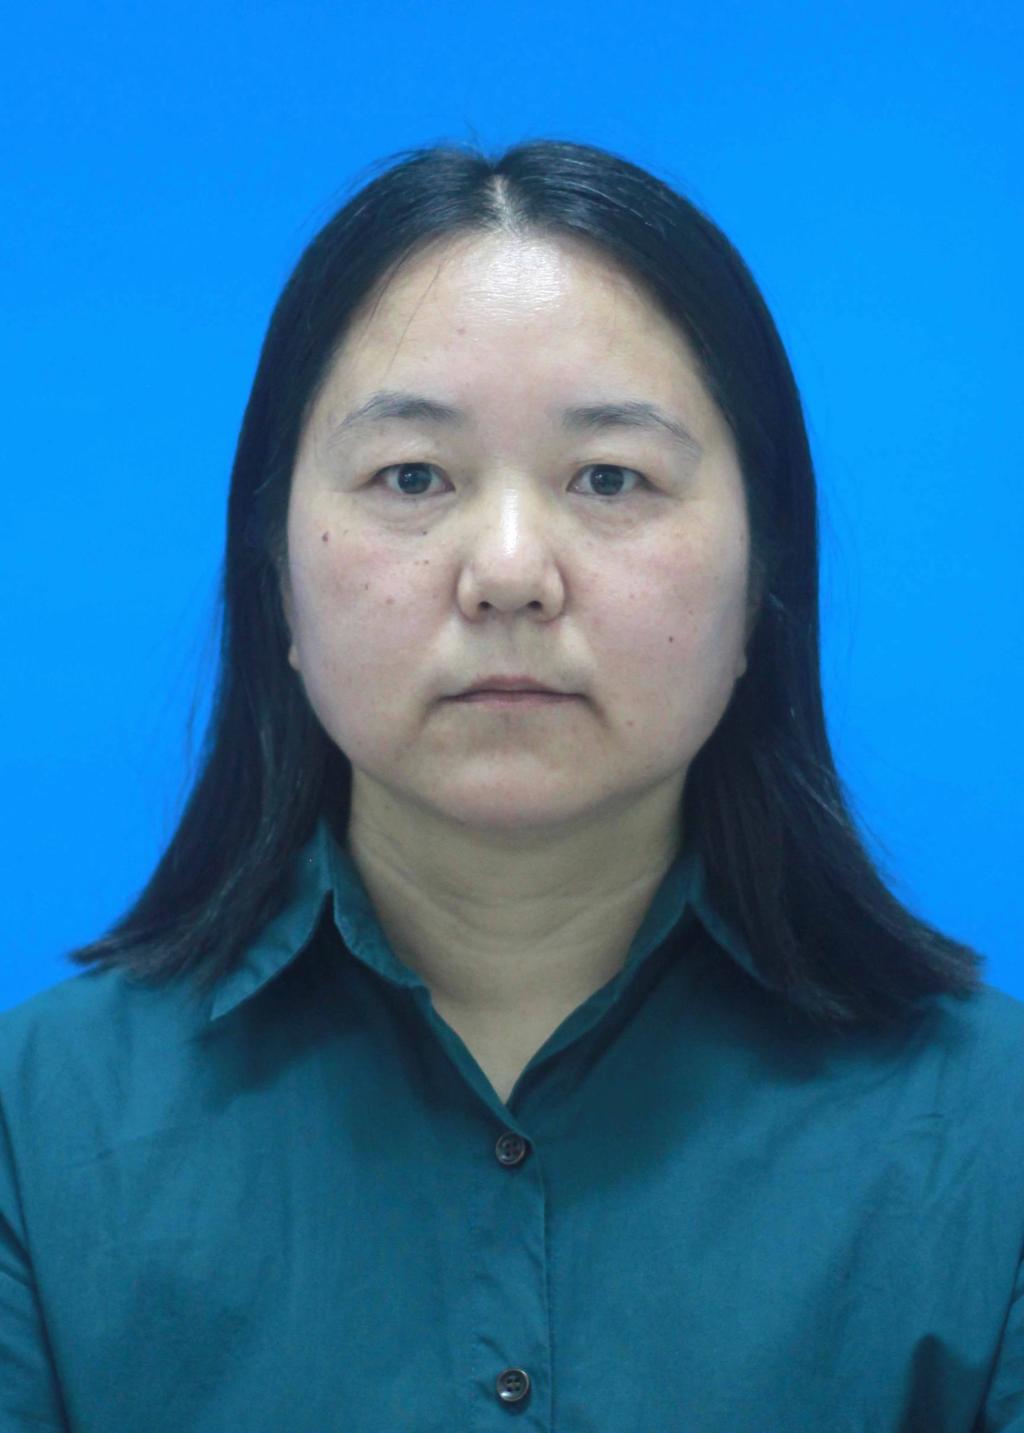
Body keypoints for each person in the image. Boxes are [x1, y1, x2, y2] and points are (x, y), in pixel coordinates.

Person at [1, 138, 1020, 1431]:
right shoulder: (36, 1131)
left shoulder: (993, 1136)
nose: (509, 573)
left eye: (610, 478)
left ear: (766, 576)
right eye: (412, 477)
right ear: (277, 579)